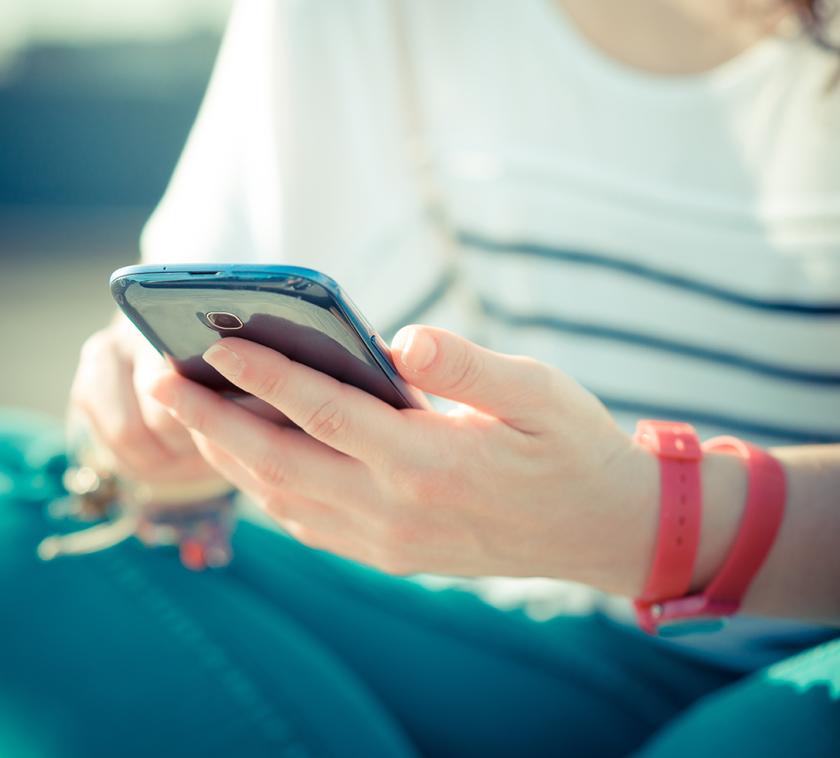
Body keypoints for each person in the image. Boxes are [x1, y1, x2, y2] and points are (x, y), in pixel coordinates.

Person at [2, 0, 839, 755]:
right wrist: (146, 450)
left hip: (809, 656)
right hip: (500, 640)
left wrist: (642, 522)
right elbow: (168, 330)